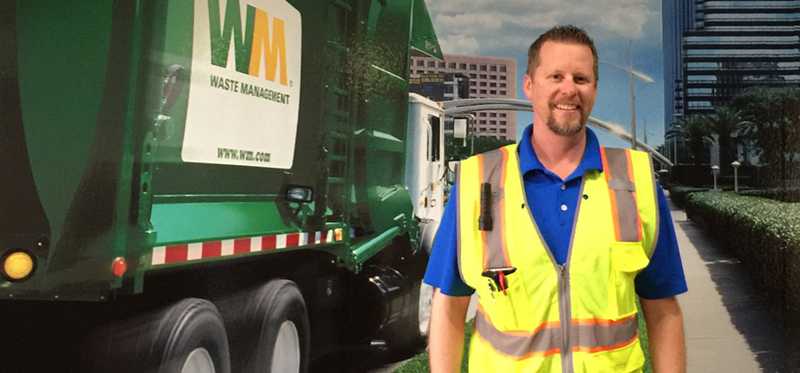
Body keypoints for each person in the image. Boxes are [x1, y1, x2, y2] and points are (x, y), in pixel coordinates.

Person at [424, 25, 687, 373]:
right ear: (529, 86)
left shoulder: (634, 180)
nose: (569, 89)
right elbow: (449, 308)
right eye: (555, 76)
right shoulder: (478, 181)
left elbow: (663, 310)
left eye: (581, 78)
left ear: (594, 89)